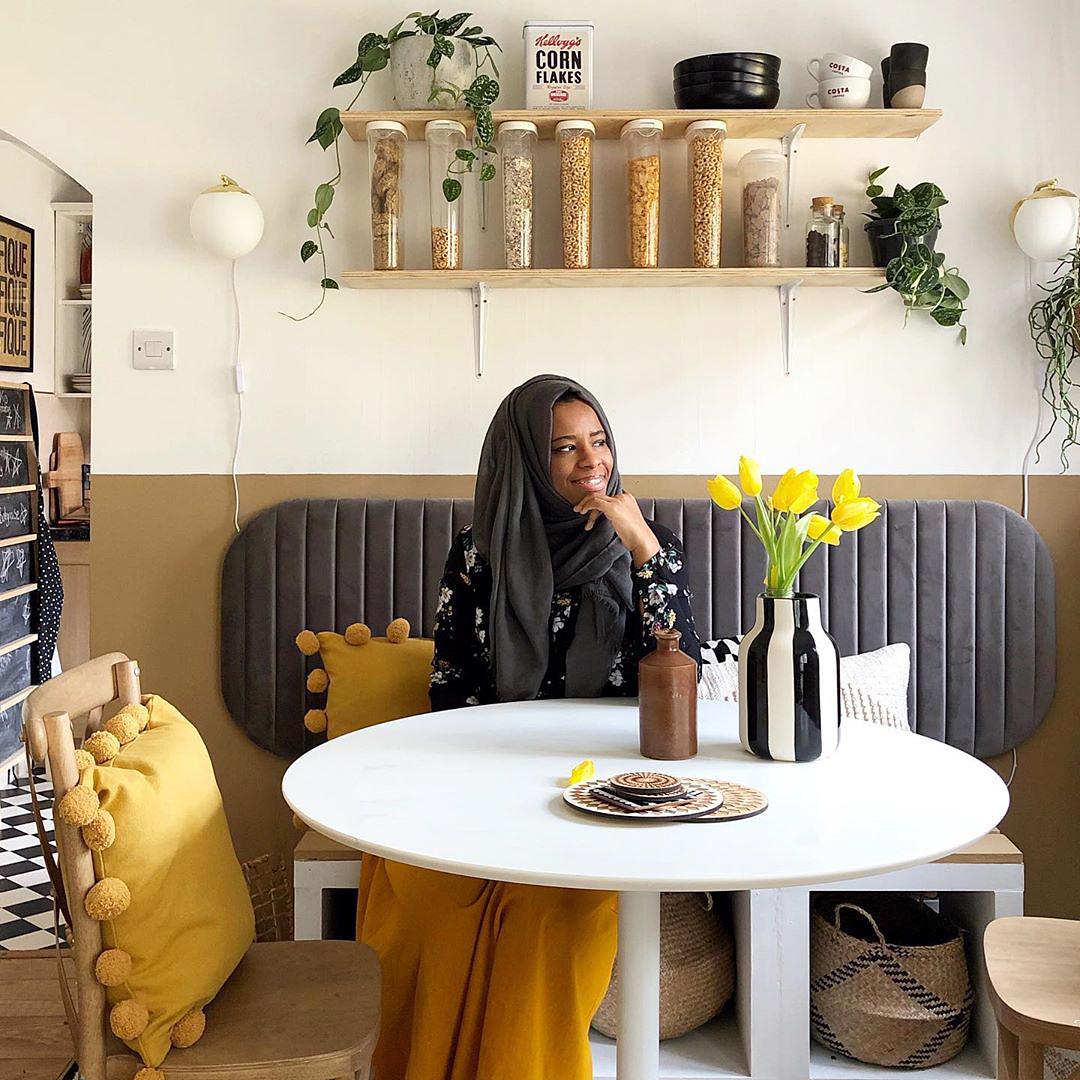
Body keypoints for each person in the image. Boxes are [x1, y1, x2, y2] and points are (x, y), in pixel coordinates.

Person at [357, 374, 701, 1080]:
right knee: (428, 899)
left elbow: (679, 670)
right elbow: (450, 688)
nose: (592, 463)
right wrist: (482, 783)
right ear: (523, 461)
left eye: (599, 441)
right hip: (490, 777)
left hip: (610, 784)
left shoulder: (647, 545)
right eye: (564, 449)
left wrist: (642, 550)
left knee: (550, 919)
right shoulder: (479, 552)